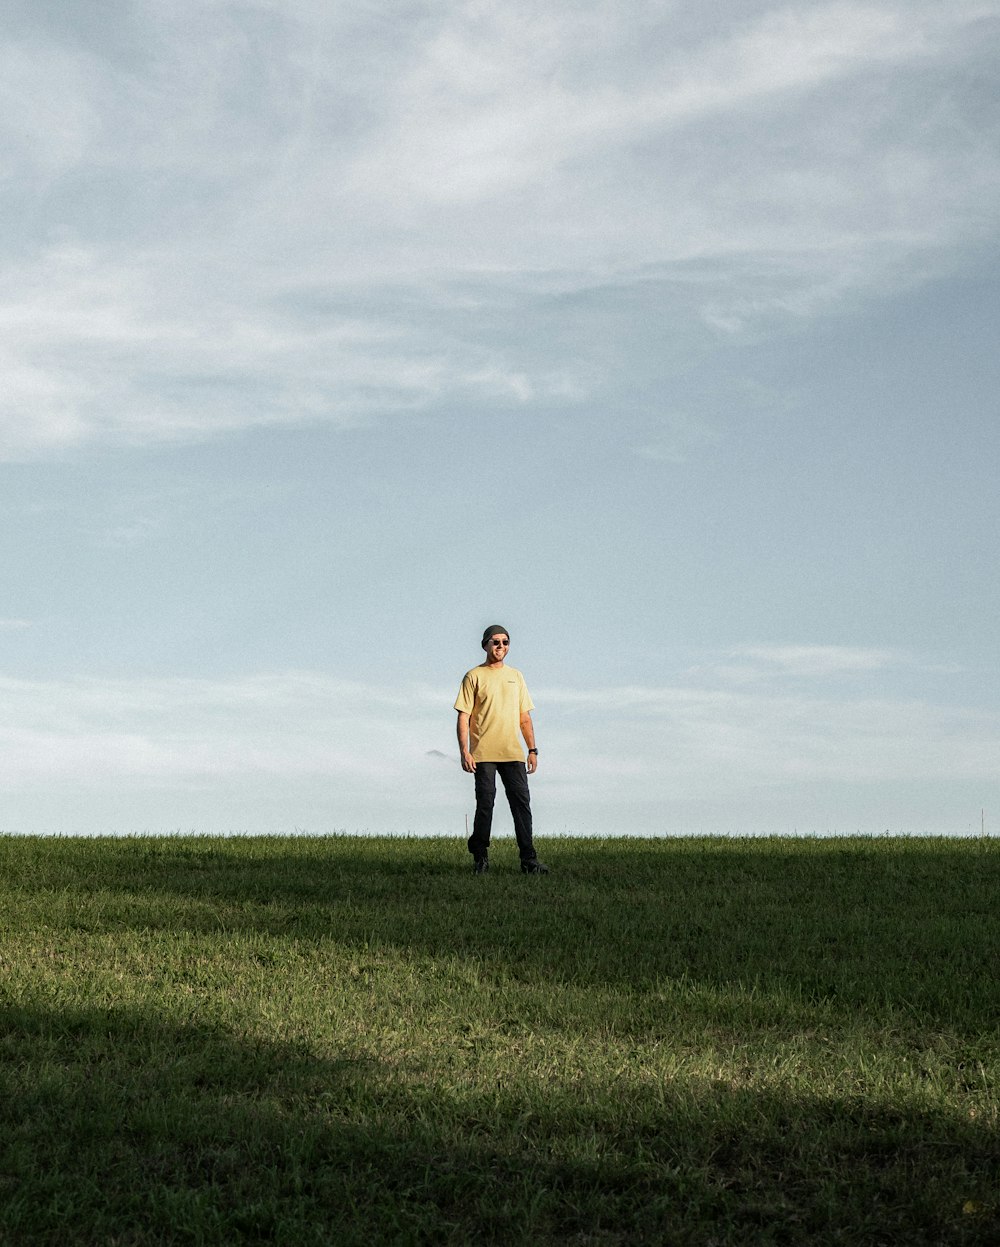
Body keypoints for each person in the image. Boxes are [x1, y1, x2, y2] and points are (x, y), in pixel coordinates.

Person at [454, 625, 549, 875]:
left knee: (522, 805)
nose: (500, 647)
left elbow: (524, 717)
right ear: (485, 645)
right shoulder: (473, 676)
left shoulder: (516, 676)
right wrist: (465, 751)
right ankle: (480, 857)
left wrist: (532, 749)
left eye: (505, 642)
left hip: (513, 754)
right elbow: (463, 717)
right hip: (483, 754)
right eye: (495, 642)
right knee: (485, 804)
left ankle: (529, 860)